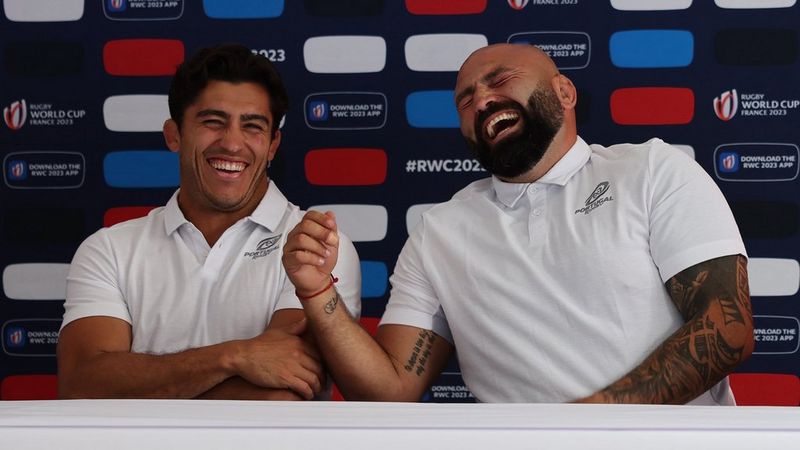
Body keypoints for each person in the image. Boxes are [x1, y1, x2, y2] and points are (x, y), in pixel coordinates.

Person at [282, 43, 753, 404]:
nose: (483, 100)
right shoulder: (438, 231)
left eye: (500, 80)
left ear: (564, 92)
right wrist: (317, 292)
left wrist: (590, 427)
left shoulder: (651, 170)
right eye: (465, 100)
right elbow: (391, 387)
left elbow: (726, 329)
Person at [57, 44, 361, 400]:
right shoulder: (109, 249)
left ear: (273, 145)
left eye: (252, 126)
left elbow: (280, 395)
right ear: (174, 135)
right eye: (213, 122)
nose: (232, 143)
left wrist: (141, 383)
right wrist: (236, 357)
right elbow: (83, 384)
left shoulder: (315, 247)